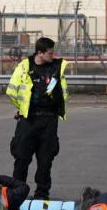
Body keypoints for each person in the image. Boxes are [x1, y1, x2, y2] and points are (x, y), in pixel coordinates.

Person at [6, 37, 69, 200]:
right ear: (40, 53)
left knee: (45, 160)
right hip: (29, 120)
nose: (53, 55)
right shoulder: (25, 67)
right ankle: (17, 193)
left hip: (49, 120)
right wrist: (21, 108)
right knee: (22, 158)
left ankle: (42, 194)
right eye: (50, 52)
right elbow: (11, 90)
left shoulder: (56, 67)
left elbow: (63, 91)